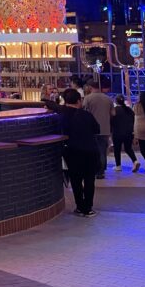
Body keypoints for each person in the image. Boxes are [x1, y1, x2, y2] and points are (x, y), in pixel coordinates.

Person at [59, 88, 100, 217]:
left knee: (76, 180)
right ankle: (88, 208)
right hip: (90, 151)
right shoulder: (86, 115)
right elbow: (97, 129)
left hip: (72, 151)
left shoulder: (62, 115)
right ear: (78, 100)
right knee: (89, 180)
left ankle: (80, 206)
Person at [82, 83, 112, 179]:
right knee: (102, 150)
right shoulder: (108, 98)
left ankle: (96, 170)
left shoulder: (88, 98)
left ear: (91, 88)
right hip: (105, 128)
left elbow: (83, 111)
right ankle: (102, 171)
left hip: (92, 129)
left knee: (94, 151)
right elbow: (113, 113)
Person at [110, 96, 140, 172]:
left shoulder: (114, 110)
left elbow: (111, 121)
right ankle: (135, 161)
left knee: (117, 149)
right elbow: (133, 121)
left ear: (116, 101)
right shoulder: (129, 110)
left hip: (117, 133)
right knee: (128, 148)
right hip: (128, 132)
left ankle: (118, 166)